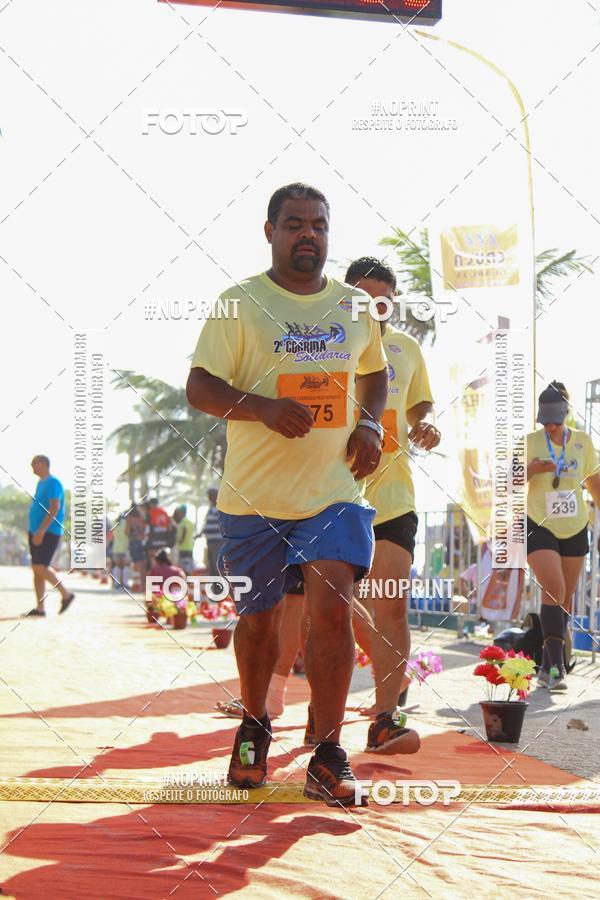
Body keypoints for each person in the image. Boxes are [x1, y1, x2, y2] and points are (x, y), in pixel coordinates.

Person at [187, 182, 388, 807]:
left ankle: (328, 751)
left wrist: (372, 422)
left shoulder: (357, 307)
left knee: (332, 607)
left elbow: (375, 371)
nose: (309, 234)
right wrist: (263, 408)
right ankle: (255, 725)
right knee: (260, 617)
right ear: (269, 231)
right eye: (295, 224)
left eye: (319, 225)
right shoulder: (238, 303)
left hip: (334, 490)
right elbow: (198, 387)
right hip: (254, 496)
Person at [344, 257, 439, 753]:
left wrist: (424, 424)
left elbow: (420, 404)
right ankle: (323, 719)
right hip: (333, 494)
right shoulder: (326, 341)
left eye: (382, 299)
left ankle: (384, 719)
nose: (373, 307)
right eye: (363, 297)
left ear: (392, 301)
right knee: (334, 609)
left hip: (393, 494)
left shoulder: (406, 348)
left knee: (393, 605)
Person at [527, 381, 600, 691]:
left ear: (567, 414)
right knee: (553, 587)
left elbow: (595, 483)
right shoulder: (530, 441)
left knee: (564, 599)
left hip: (574, 526)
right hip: (537, 524)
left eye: (556, 419)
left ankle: (546, 665)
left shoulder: (582, 442)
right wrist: (529, 469)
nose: (552, 426)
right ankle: (557, 668)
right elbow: (505, 481)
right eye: (546, 421)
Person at [24, 455, 74, 617]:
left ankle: (66, 594)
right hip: (36, 531)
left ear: (44, 464)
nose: (32, 466)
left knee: (40, 567)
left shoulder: (53, 483)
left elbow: (54, 508)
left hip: (49, 532)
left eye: (35, 463)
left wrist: (41, 531)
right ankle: (40, 608)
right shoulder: (41, 483)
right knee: (36, 570)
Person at [199, 489, 222, 575]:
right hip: (210, 540)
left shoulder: (219, 507)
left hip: (218, 540)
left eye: (211, 495)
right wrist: (201, 533)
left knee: (217, 563)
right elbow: (207, 524)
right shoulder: (210, 509)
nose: (209, 497)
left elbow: (222, 522)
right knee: (211, 563)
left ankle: (220, 585)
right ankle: (214, 585)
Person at [125, 503, 146, 590]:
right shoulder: (141, 518)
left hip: (133, 542)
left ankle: (137, 584)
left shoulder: (129, 518)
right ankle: (143, 584)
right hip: (141, 542)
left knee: (136, 563)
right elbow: (144, 531)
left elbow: (126, 531)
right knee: (141, 563)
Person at [173, 505, 196, 574]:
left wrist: (181, 540)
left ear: (182, 512)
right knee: (187, 566)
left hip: (184, 548)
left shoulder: (184, 522)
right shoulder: (189, 522)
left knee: (185, 567)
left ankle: (187, 582)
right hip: (188, 547)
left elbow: (185, 530)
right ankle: (187, 582)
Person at [110, 513, 131, 590]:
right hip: (125, 547)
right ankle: (125, 583)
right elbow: (128, 533)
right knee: (126, 565)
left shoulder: (114, 523)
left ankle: (116, 584)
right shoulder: (126, 523)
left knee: (117, 566)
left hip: (116, 547)